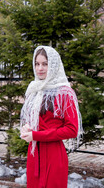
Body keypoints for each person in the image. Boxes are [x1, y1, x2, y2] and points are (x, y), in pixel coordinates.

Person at [20, 45, 82, 188]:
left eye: (45, 64)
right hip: (34, 155)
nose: (40, 68)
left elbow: (72, 130)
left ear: (53, 65)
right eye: (37, 64)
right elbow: (34, 120)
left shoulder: (64, 92)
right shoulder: (34, 89)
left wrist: (36, 135)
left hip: (53, 155)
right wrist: (27, 128)